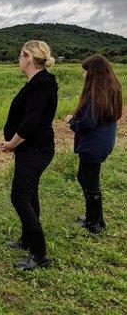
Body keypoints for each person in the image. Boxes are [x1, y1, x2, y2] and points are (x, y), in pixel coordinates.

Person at [0, 40, 57, 271]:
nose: (18, 59)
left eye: (20, 55)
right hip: (32, 148)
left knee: (20, 197)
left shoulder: (40, 84)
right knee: (30, 194)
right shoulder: (39, 82)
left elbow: (30, 123)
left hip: (35, 149)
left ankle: (39, 254)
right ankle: (27, 239)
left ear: (29, 58)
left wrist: (11, 144)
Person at [65, 55, 122, 233]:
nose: (83, 75)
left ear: (93, 73)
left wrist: (71, 121)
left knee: (89, 181)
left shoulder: (94, 95)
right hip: (103, 141)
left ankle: (94, 224)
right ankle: (96, 218)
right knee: (85, 178)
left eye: (85, 71)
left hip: (93, 145)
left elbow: (88, 123)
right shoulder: (111, 89)